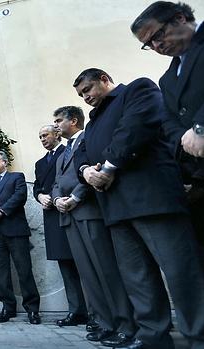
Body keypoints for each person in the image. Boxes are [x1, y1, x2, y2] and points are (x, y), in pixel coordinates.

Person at [73, 68, 204, 349]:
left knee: (180, 272)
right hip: (114, 207)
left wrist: (110, 167)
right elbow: (82, 153)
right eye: (80, 95)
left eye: (88, 89)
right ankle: (152, 336)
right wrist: (86, 171)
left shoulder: (138, 90)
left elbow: (134, 129)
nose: (86, 97)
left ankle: (202, 337)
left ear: (104, 79)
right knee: (137, 277)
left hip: (151, 199)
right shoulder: (91, 122)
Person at [131, 1, 204, 333]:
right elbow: (170, 126)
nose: (156, 46)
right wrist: (187, 139)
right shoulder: (167, 79)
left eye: (158, 35)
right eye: (148, 44)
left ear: (180, 18)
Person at [51, 106, 137, 345]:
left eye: (59, 120)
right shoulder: (62, 153)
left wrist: (75, 197)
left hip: (88, 211)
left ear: (74, 121)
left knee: (105, 269)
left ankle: (125, 323)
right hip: (69, 217)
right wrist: (57, 198)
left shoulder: (87, 140)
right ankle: (104, 322)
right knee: (88, 274)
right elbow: (57, 182)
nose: (56, 125)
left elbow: (93, 170)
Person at [0, 151, 41, 325]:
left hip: (15, 231)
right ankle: (8, 307)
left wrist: (2, 211)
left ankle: (33, 309)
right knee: (1, 273)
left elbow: (20, 196)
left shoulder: (16, 177)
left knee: (24, 270)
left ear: (5, 162)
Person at [34, 125, 87, 327]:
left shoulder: (70, 153)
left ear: (57, 134)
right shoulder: (40, 163)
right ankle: (76, 310)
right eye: (40, 137)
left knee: (85, 263)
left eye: (45, 134)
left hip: (72, 209)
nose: (42, 139)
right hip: (51, 216)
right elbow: (38, 186)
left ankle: (98, 311)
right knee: (65, 265)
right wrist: (40, 196)